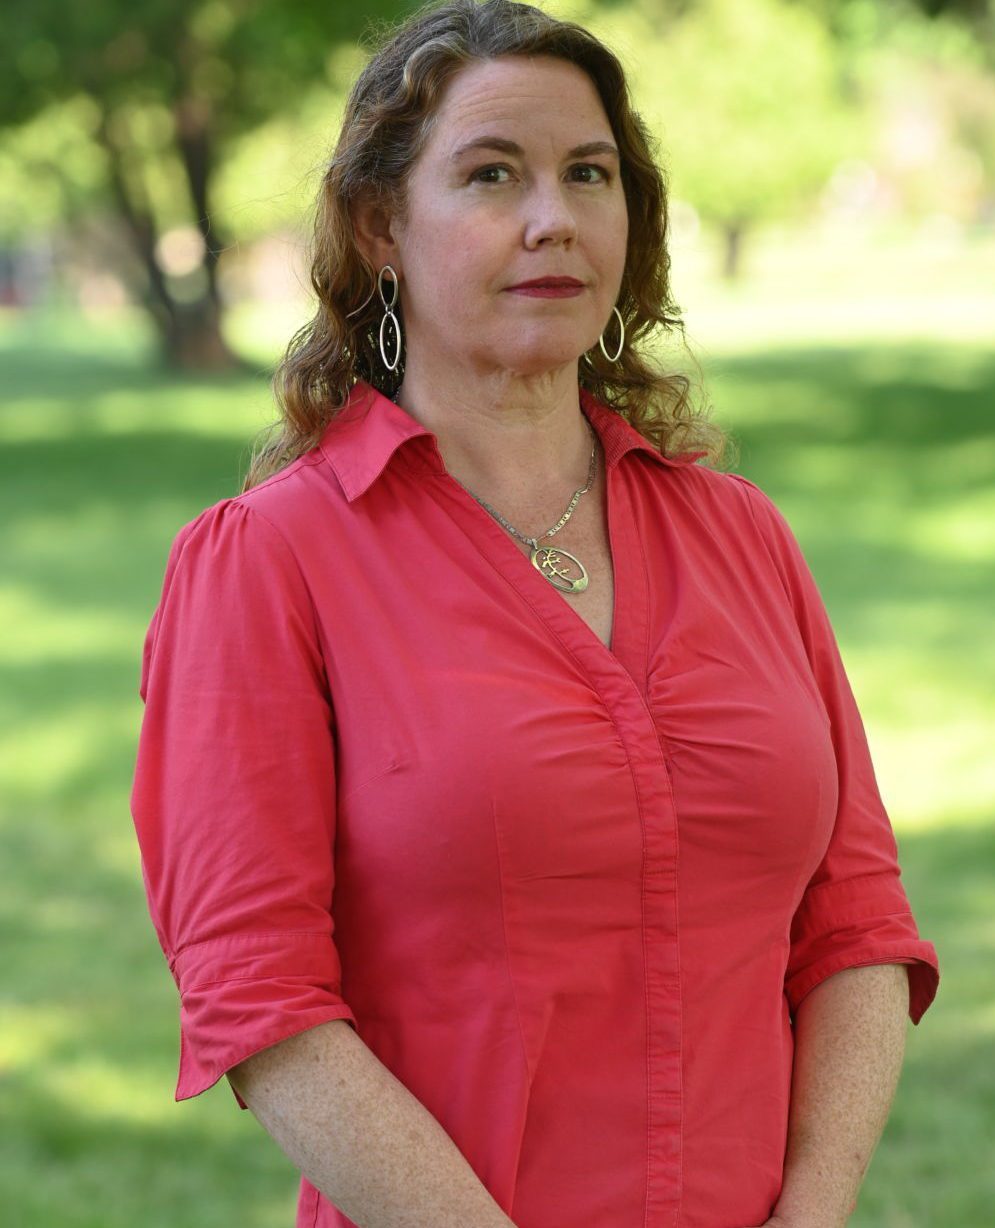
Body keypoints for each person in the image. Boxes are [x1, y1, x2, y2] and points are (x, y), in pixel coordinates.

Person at [128, 2, 940, 1226]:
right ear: (381, 225)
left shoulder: (741, 537)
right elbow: (260, 1002)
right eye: (491, 174)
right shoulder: (268, 564)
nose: (552, 217)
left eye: (588, 173)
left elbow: (857, 926)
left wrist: (810, 1215)